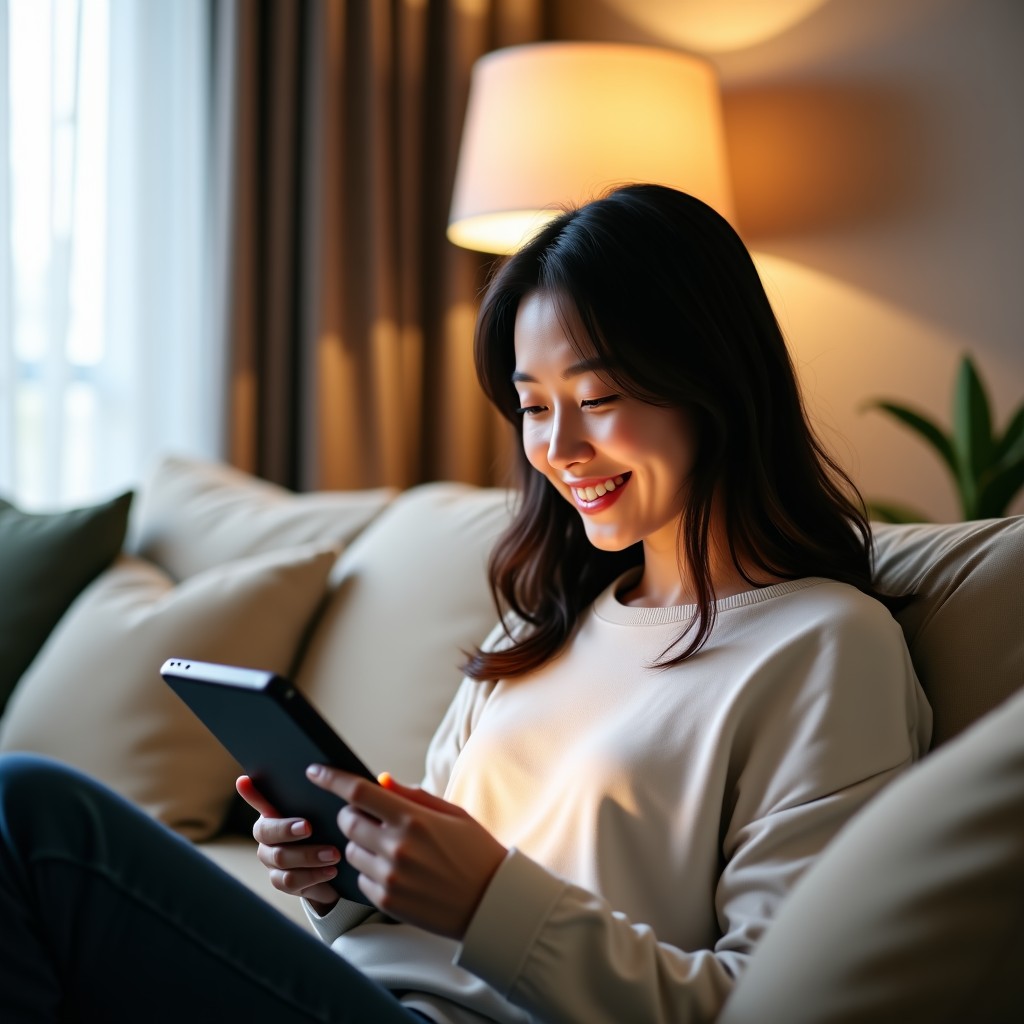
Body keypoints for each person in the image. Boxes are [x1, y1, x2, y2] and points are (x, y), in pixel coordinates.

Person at [0, 184, 931, 1023]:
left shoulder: (824, 647)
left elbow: (763, 1006)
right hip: (368, 994)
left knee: (32, 814)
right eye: (532, 406)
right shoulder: (538, 628)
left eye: (599, 395)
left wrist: (492, 898)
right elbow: (414, 922)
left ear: (715, 385)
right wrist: (342, 883)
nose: (559, 446)